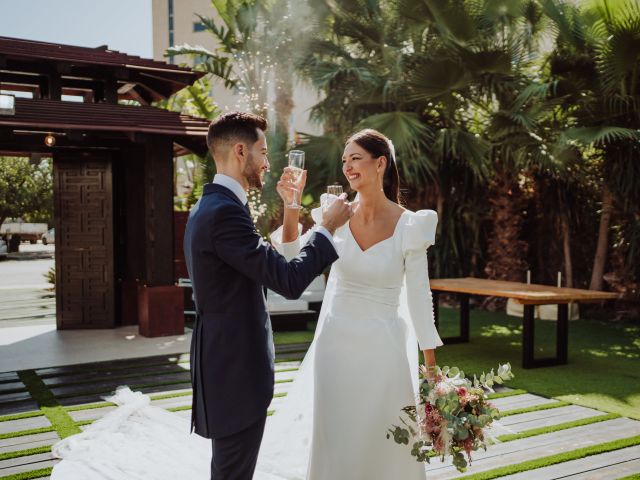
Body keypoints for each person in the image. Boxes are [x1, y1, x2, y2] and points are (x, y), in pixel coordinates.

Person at [49, 112, 352, 480]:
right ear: (241, 151)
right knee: (232, 473)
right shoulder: (225, 212)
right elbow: (287, 280)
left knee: (231, 469)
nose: (268, 162)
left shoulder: (216, 205)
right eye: (262, 151)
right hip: (234, 370)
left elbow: (267, 266)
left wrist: (291, 206)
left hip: (228, 364)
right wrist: (326, 228)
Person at [255, 128, 443, 479]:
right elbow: (293, 255)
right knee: (336, 435)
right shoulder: (335, 214)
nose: (348, 167)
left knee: (386, 437)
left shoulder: (411, 224)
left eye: (356, 158)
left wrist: (432, 372)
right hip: (335, 344)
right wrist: (291, 205)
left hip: (385, 347)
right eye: (345, 161)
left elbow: (419, 296)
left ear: (380, 163)